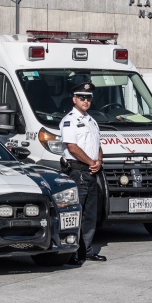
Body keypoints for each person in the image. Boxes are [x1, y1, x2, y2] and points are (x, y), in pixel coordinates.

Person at [60, 82, 105, 264]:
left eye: (89, 98)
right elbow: (72, 147)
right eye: (82, 97)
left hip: (92, 171)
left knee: (90, 214)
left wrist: (99, 161)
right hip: (78, 171)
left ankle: (86, 250)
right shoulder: (69, 120)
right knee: (76, 214)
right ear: (74, 99)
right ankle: (73, 252)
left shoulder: (91, 121)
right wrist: (91, 162)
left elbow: (98, 145)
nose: (86, 101)